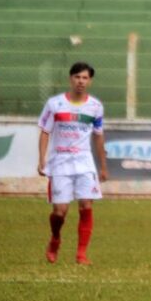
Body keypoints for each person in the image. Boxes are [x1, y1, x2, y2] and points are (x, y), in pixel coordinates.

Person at [38, 61, 109, 265]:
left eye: (85, 78)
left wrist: (103, 167)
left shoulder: (95, 107)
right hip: (60, 162)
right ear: (71, 79)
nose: (81, 81)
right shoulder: (55, 104)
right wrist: (41, 158)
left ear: (90, 81)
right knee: (60, 211)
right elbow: (45, 131)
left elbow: (98, 136)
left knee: (86, 204)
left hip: (84, 163)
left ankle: (81, 254)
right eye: (77, 77)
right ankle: (55, 239)